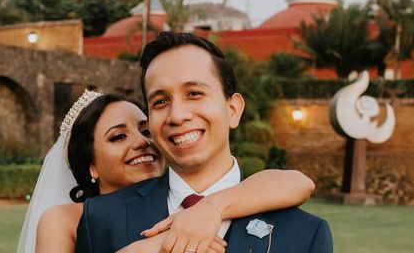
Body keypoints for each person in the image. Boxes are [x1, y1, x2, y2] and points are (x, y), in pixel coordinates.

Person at [75, 32, 334, 253]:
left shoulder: (305, 233)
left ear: (233, 109)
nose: (177, 115)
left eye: (194, 94)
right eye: (161, 101)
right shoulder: (100, 218)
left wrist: (211, 208)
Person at [19, 87, 315, 252]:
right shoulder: (66, 219)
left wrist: (209, 209)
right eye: (118, 137)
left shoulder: (184, 199)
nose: (141, 143)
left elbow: (298, 183)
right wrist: (158, 245)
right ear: (91, 165)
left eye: (146, 131)